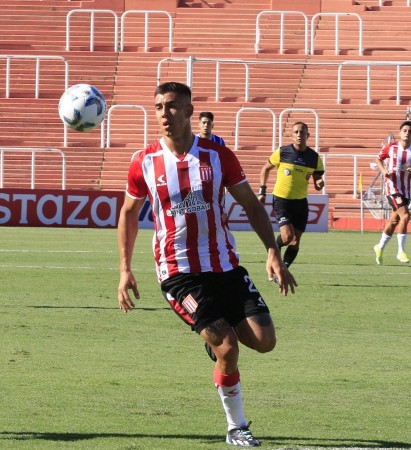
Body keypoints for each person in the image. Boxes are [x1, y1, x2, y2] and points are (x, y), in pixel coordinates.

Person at [117, 81, 296, 447]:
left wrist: (272, 251)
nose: (164, 114)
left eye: (171, 106)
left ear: (188, 111)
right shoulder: (145, 162)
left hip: (225, 266)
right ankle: (237, 427)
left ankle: (214, 340)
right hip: (179, 273)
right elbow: (129, 213)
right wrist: (125, 269)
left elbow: (249, 203)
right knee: (228, 348)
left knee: (265, 342)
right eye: (158, 107)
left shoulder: (217, 156)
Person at [258, 122, 325, 268]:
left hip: (301, 203)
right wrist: (262, 191)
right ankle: (274, 249)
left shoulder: (314, 158)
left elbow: (317, 179)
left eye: (302, 132)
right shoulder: (283, 152)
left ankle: (283, 268)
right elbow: (265, 169)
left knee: (296, 241)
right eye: (296, 132)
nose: (299, 135)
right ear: (292, 135)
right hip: (282, 200)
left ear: (308, 135)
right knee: (287, 237)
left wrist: (319, 182)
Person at [372, 120, 411, 264]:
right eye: (404, 130)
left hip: (407, 190)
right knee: (406, 216)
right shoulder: (391, 148)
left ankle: (380, 246)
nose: (407, 133)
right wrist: (384, 171)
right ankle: (401, 251)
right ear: (400, 133)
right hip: (392, 188)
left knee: (394, 220)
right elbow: (378, 159)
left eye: (410, 131)